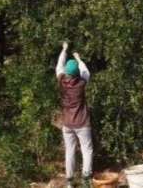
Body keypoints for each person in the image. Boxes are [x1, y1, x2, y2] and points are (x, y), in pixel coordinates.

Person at [56, 42, 93, 188]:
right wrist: (78, 59)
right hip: (82, 123)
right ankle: (86, 180)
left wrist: (64, 50)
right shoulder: (82, 82)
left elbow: (59, 65)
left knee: (69, 152)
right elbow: (86, 71)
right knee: (87, 150)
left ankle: (70, 182)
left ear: (66, 72)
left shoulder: (61, 81)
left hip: (67, 124)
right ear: (76, 73)